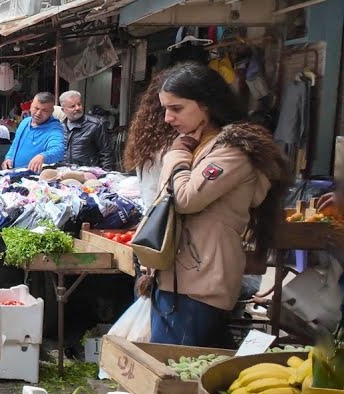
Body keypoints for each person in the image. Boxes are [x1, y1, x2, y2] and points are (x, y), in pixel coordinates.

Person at [145, 63, 290, 348]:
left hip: (202, 280)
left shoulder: (233, 150)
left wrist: (176, 155)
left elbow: (185, 198)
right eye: (165, 109)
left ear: (206, 105)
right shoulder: (198, 145)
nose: (167, 118)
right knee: (169, 369)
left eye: (176, 108)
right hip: (175, 278)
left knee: (176, 371)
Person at [123, 71, 175, 199]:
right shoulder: (169, 141)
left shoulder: (147, 136)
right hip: (159, 210)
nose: (169, 117)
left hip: (153, 209)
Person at [3, 92, 65, 172]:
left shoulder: (54, 129)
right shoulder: (25, 122)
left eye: (44, 110)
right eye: (36, 108)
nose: (38, 113)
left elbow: (58, 150)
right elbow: (15, 144)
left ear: (51, 111)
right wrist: (9, 157)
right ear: (31, 106)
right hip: (14, 173)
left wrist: (43, 156)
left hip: (35, 180)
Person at [59, 91, 115, 169]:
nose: (77, 108)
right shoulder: (60, 127)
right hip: (64, 173)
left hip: (89, 174)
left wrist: (106, 174)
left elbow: (107, 153)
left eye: (79, 104)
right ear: (63, 110)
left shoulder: (95, 125)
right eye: (72, 106)